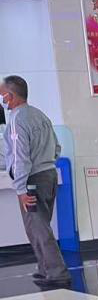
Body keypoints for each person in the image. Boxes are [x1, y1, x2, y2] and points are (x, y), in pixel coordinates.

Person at [1, 75, 70, 287]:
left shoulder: (17, 119)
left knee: (38, 228)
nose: (2, 100)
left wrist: (21, 189)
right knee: (40, 226)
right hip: (49, 175)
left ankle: (57, 273)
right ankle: (45, 269)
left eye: (2, 95)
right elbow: (56, 147)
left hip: (32, 180)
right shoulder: (40, 115)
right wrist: (46, 163)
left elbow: (20, 157)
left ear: (10, 96)